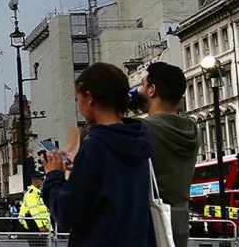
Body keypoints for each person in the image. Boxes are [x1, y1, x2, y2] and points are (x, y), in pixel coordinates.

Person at [41, 62, 155, 247]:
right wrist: (80, 166)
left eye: (77, 99)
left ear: (89, 97)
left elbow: (67, 213)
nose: (79, 106)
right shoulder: (138, 140)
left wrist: (54, 176)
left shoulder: (95, 147)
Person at [136, 62, 202, 247]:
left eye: (142, 84)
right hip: (179, 226)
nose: (139, 90)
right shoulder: (193, 130)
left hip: (150, 226)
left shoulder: (142, 130)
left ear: (152, 90)